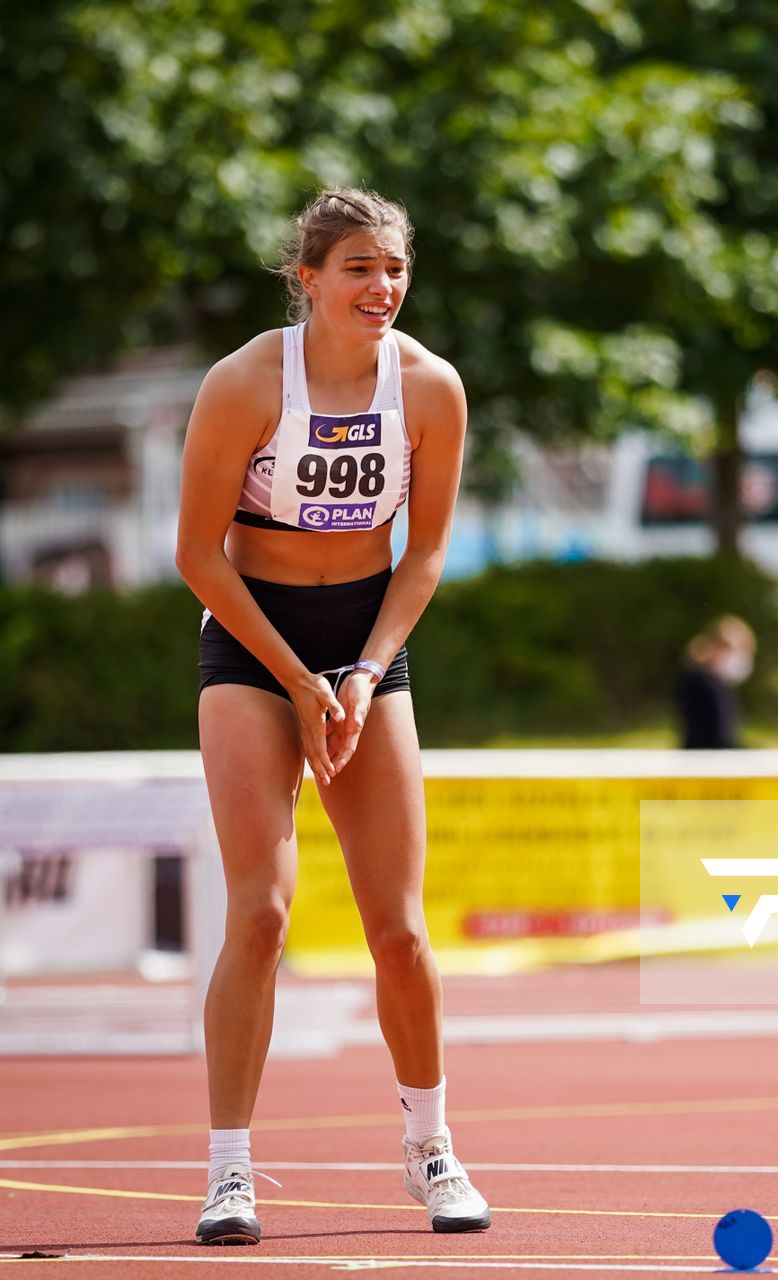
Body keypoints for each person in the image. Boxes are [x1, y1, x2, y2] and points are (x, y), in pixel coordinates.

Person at [174, 187, 488, 1244]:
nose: (381, 288)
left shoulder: (431, 388)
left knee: (397, 927)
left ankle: (432, 1145)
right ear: (306, 277)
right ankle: (229, 1172)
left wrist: (360, 672)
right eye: (357, 268)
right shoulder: (246, 382)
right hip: (255, 643)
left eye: (394, 269)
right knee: (260, 912)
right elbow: (195, 554)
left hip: (366, 640)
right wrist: (297, 678)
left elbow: (429, 550)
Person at [675, 616, 755, 749]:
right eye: (732, 648)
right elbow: (720, 737)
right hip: (706, 763)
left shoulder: (714, 683)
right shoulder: (706, 684)